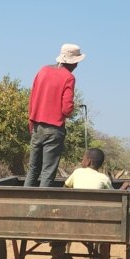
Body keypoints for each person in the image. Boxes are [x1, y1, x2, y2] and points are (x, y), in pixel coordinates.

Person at [24, 43, 86, 187]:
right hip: (54, 130)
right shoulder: (69, 77)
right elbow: (66, 110)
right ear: (73, 62)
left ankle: (26, 204)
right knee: (47, 172)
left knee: (33, 170)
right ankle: (40, 207)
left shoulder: (43, 70)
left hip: (37, 127)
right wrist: (72, 107)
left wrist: (31, 124)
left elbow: (32, 98)